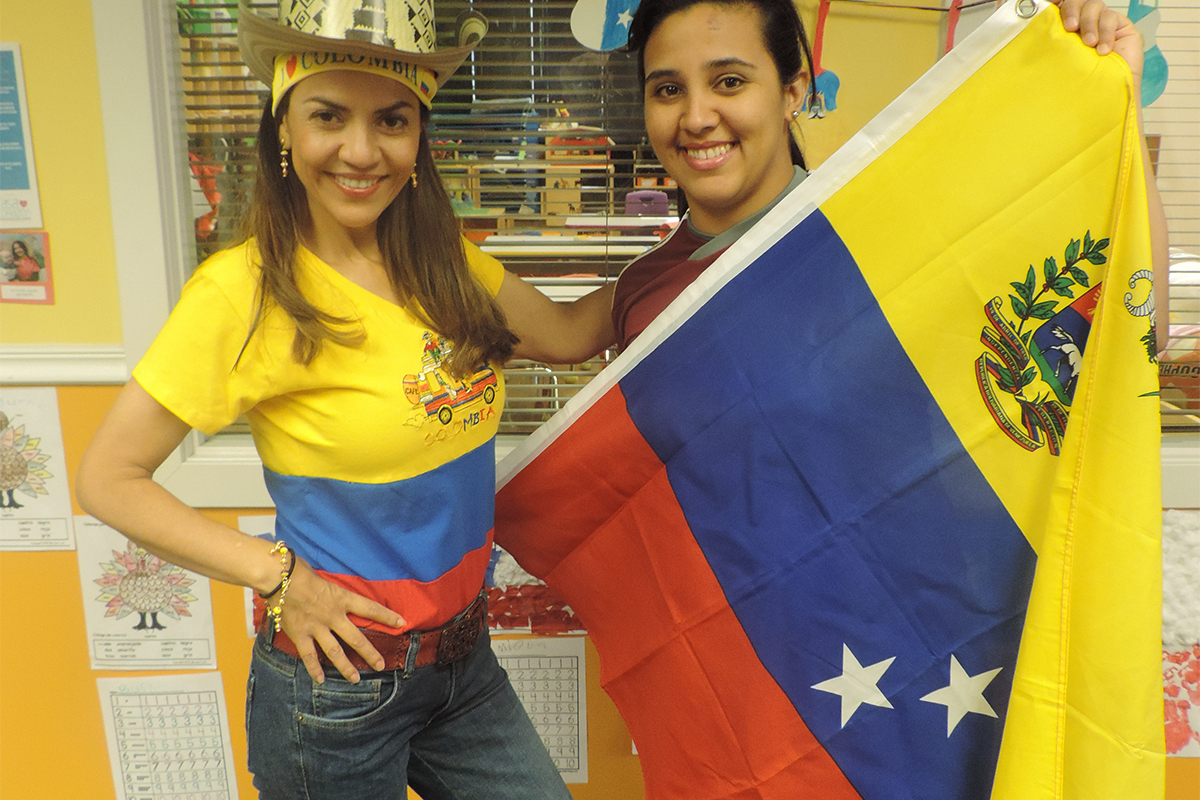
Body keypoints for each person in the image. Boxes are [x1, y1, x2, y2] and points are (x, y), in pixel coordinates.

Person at [76, 1, 609, 797]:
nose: (362, 151)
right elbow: (106, 478)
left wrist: (706, 243)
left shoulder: (447, 265)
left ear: (418, 135)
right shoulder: (244, 294)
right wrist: (277, 576)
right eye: (329, 116)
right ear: (284, 127)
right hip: (336, 692)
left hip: (466, 667)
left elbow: (569, 334)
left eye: (392, 120)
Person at [605, 0, 1167, 353]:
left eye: (729, 82)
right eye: (668, 90)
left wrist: (1119, 105)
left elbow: (1138, 331)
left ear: (794, 91)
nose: (697, 117)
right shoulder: (646, 287)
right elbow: (554, 330)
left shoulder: (878, 240)